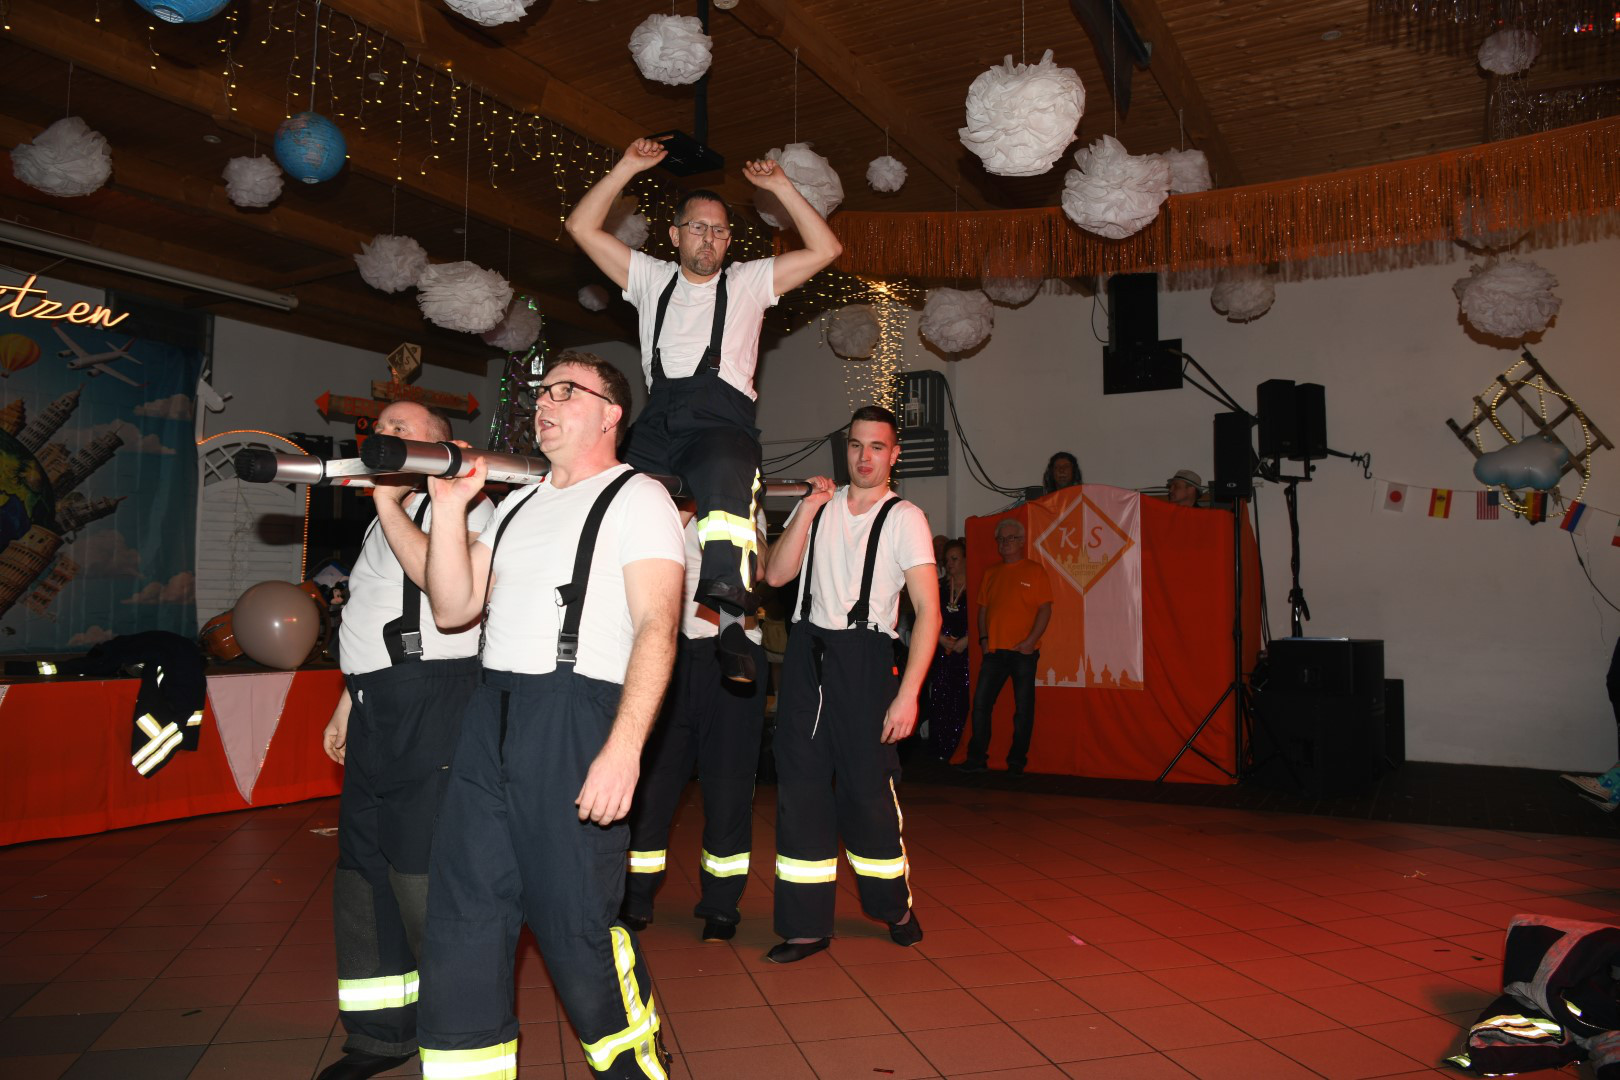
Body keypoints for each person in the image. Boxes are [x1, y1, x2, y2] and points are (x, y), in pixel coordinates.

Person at [416, 352, 686, 1080]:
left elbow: (658, 627)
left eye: (567, 391)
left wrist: (624, 749)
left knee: (576, 928)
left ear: (610, 414)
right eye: (542, 392)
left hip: (575, 718)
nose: (545, 403)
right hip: (491, 715)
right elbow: (452, 607)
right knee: (464, 914)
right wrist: (449, 510)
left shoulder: (638, 498)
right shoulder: (516, 505)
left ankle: (632, 1070)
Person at [565, 138, 843, 683]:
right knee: (619, 492)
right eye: (697, 227)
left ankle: (731, 617)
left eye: (719, 230)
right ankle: (606, 611)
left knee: (725, 473)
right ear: (675, 236)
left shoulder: (748, 282)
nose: (709, 238)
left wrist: (781, 187)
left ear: (729, 240)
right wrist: (628, 166)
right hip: (658, 419)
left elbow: (826, 248)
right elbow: (580, 226)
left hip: (721, 420)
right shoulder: (650, 278)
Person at [319, 402, 492, 1080]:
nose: (382, 435)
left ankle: (456, 1032)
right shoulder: (381, 517)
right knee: (364, 872)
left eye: (401, 429)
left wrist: (391, 506)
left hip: (434, 699)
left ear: (443, 448)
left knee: (424, 874)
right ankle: (381, 1035)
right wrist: (347, 702)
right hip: (376, 701)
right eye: (381, 426)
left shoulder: (468, 508)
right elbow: (374, 613)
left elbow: (443, 591)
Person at [760, 405, 939, 964]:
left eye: (877, 447)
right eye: (857, 445)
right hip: (807, 658)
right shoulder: (822, 505)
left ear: (894, 455)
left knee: (867, 798)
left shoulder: (905, 518)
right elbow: (775, 574)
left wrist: (907, 695)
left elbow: (929, 614)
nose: (865, 457)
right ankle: (805, 927)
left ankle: (894, 908)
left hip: (865, 663)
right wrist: (807, 509)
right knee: (801, 794)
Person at [621, 512, 769, 941]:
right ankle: (635, 897)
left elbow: (759, 569)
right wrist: (681, 507)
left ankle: (720, 906)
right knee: (652, 786)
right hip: (667, 652)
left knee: (728, 789)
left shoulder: (739, 499)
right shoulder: (662, 500)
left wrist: (732, 510)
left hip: (733, 651)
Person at [959, 519, 1052, 776]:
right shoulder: (991, 573)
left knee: (1023, 710)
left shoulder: (1035, 571)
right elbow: (983, 610)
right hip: (993, 652)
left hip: (1024, 653)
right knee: (980, 705)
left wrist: (1030, 642)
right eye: (1000, 539)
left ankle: (1017, 761)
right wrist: (983, 639)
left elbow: (1045, 609)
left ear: (1021, 541)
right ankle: (977, 758)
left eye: (1010, 538)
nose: (1004, 543)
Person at [927, 538, 972, 762]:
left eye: (954, 559)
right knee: (940, 696)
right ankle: (940, 748)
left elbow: (984, 618)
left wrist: (967, 640)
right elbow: (927, 616)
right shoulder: (940, 587)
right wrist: (938, 638)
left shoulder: (975, 586)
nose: (950, 564)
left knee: (962, 697)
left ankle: (961, 748)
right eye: (947, 560)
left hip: (966, 652)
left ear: (965, 559)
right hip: (943, 650)